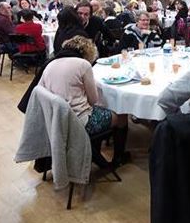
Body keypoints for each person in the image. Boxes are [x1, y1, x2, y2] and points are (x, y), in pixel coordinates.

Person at [38, 35, 129, 165]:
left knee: (100, 110)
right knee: (121, 114)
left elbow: (39, 91)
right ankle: (118, 158)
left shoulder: (50, 64)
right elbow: (93, 100)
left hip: (53, 121)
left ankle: (93, 151)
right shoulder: (83, 64)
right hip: (78, 122)